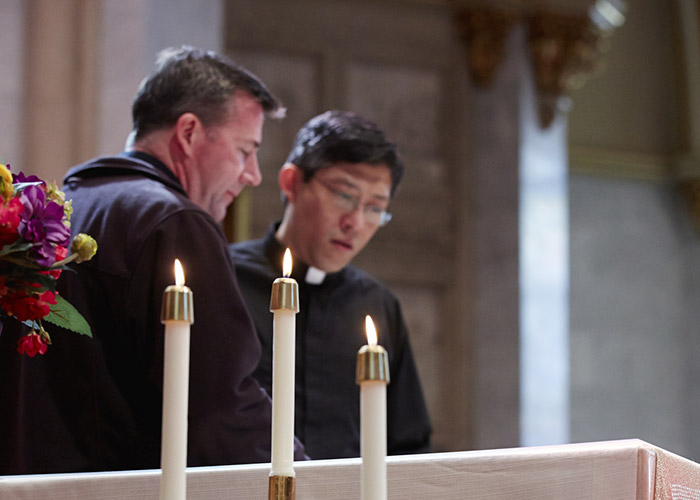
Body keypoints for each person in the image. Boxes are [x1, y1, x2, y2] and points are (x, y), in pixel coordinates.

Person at [0, 46, 305, 475]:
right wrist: (308, 478)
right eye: (244, 150)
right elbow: (219, 408)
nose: (253, 173)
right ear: (189, 132)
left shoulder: (56, 209)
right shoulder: (174, 222)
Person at [230, 110, 431, 459]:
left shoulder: (377, 305)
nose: (354, 222)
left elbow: (407, 443)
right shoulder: (226, 278)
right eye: (344, 196)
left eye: (374, 208)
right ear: (292, 182)